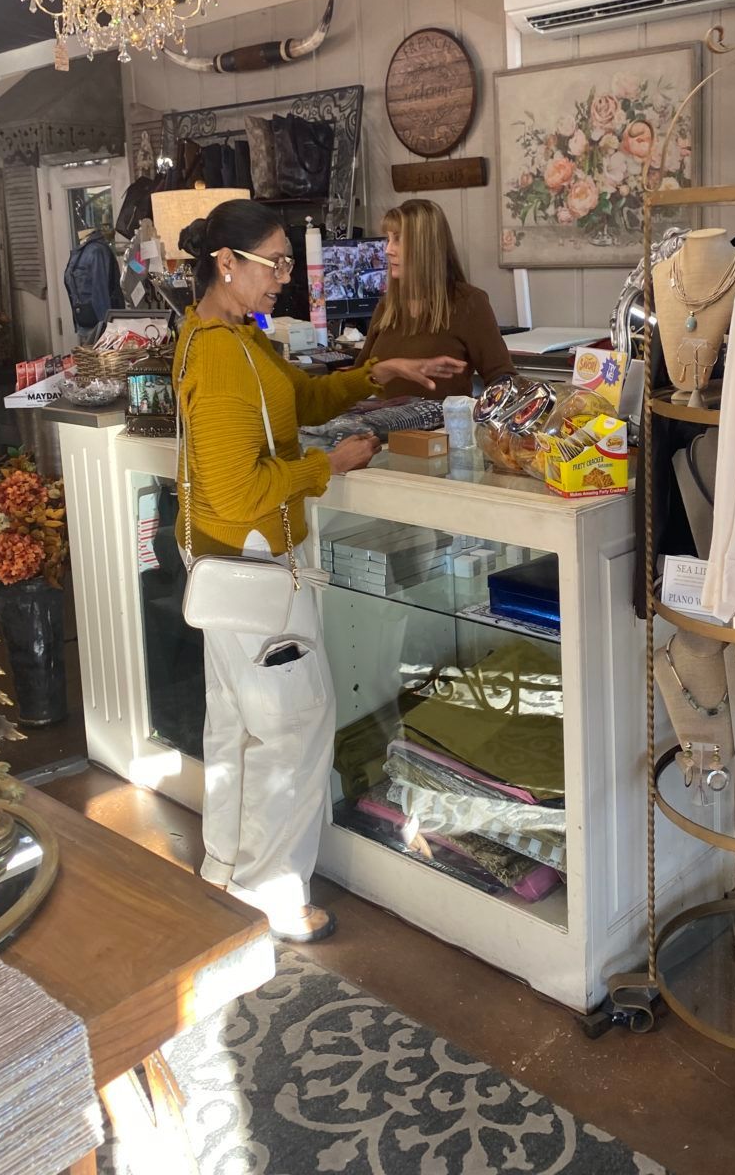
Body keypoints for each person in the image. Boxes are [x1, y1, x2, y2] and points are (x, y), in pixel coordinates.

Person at [174, 201, 460, 943]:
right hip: (255, 563)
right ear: (226, 263)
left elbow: (298, 397)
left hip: (230, 563)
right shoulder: (221, 354)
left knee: (239, 724)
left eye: (286, 263)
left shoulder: (229, 335)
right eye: (273, 263)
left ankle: (227, 870)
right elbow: (239, 488)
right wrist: (326, 465)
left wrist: (378, 373)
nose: (284, 277)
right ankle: (273, 893)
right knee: (294, 727)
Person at [355, 199, 511, 398]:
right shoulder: (387, 306)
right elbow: (357, 379)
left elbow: (502, 379)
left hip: (441, 419)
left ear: (424, 246)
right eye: (388, 239)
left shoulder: (468, 303)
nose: (388, 250)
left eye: (398, 239)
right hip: (382, 418)